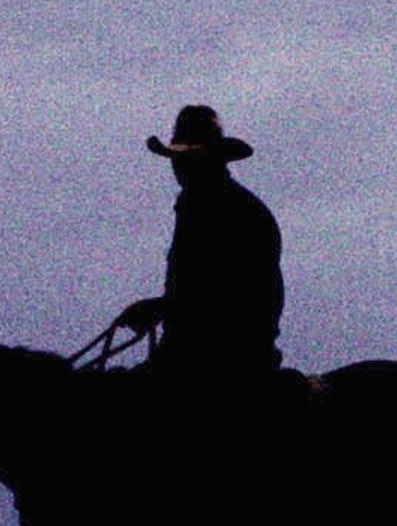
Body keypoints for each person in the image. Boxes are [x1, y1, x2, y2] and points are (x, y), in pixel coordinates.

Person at [111, 103, 282, 378]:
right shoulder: (199, 206)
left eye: (187, 159)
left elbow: (232, 294)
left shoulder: (235, 211)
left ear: (214, 160)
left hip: (227, 361)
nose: (178, 167)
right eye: (176, 159)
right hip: (185, 356)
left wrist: (162, 307)